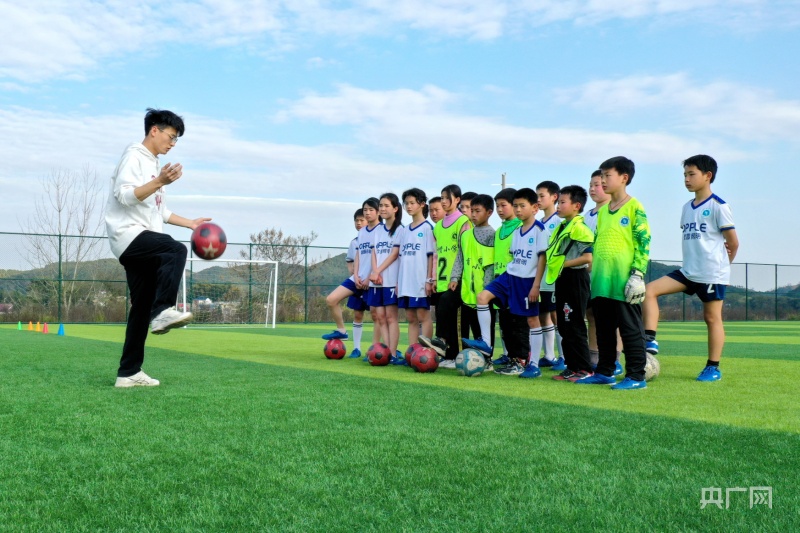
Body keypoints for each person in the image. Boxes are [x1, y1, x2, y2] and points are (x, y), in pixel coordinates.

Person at [106, 108, 210, 388]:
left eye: (176, 139)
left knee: (141, 309)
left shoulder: (153, 163)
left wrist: (190, 223)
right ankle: (163, 310)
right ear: (154, 130)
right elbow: (125, 196)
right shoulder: (134, 156)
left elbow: (159, 211)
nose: (173, 143)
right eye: (171, 136)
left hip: (141, 240)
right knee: (175, 251)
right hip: (129, 235)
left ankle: (128, 373)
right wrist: (160, 181)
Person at [643, 155, 739, 382]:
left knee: (711, 318)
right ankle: (649, 338)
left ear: (708, 176)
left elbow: (733, 243)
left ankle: (713, 368)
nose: (686, 179)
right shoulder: (687, 207)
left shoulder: (719, 206)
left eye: (691, 174)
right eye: (685, 175)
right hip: (688, 271)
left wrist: (722, 267)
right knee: (649, 290)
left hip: (711, 273)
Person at [575, 156, 651, 390]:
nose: (603, 180)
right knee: (604, 329)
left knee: (630, 329)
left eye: (608, 176)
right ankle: (605, 371)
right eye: (602, 176)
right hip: (601, 280)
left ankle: (636, 376)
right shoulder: (603, 212)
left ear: (624, 178)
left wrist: (638, 274)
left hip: (624, 280)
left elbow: (643, 242)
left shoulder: (634, 206)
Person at [465, 188, 546, 378]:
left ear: (535, 208)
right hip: (509, 276)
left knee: (530, 320)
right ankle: (486, 343)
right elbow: (514, 257)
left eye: (521, 206)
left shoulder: (540, 230)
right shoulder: (516, 231)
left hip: (526, 281)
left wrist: (536, 285)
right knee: (482, 297)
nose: (518, 210)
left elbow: (542, 259)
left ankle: (532, 364)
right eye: (515, 206)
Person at [545, 186, 595, 382]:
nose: (558, 205)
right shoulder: (563, 226)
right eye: (558, 202)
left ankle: (585, 369)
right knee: (564, 325)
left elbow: (588, 258)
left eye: (563, 202)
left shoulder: (580, 228)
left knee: (575, 324)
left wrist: (563, 264)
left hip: (576, 278)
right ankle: (572, 367)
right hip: (562, 278)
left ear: (577, 206)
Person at [419, 185, 471, 369]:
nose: (443, 201)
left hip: (458, 280)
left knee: (455, 316)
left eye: (447, 198)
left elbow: (465, 251)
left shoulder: (463, 221)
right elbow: (435, 255)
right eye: (441, 198)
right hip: (441, 280)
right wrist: (432, 279)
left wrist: (457, 276)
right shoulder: (438, 227)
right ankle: (448, 355)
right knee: (444, 314)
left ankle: (455, 353)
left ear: (457, 200)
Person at [585, 170, 623, 376]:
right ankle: (594, 357)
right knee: (591, 315)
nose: (593, 189)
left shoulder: (612, 212)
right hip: (588, 275)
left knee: (612, 317)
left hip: (608, 273)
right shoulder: (586, 216)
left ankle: (615, 359)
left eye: (597, 184)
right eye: (590, 185)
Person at [451, 194, 496, 365]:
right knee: (466, 322)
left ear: (489, 212)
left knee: (483, 328)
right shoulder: (466, 234)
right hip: (467, 291)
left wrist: (487, 287)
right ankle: (463, 356)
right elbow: (460, 258)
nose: (473, 214)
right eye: (472, 210)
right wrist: (455, 277)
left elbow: (491, 263)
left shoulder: (493, 235)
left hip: (484, 291)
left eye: (478, 211)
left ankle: (487, 359)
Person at [321, 209, 370, 358]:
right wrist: (353, 273)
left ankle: (385, 349)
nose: (359, 223)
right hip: (356, 280)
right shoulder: (354, 242)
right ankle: (347, 337)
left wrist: (369, 277)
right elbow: (350, 260)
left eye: (362, 220)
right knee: (332, 300)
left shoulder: (377, 238)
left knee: (378, 316)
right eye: (356, 220)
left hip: (372, 282)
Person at [488, 188, 525, 369]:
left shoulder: (521, 228)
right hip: (500, 286)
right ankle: (511, 358)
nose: (500, 210)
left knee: (518, 323)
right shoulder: (498, 231)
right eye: (497, 206)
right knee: (505, 324)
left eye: (504, 205)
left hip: (516, 284)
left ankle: (522, 360)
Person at [397, 188, 436, 356]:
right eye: (406, 203)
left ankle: (426, 353)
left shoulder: (428, 228)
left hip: (420, 281)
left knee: (423, 316)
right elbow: (401, 257)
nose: (409, 206)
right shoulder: (404, 230)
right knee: (411, 318)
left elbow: (431, 256)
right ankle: (412, 352)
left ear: (422, 204)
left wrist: (429, 279)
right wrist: (398, 282)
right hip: (406, 281)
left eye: (412, 203)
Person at [368, 193, 404, 363]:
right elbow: (374, 252)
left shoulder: (400, 230)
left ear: (395, 208)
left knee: (391, 317)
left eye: (386, 205)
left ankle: (393, 353)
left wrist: (378, 271)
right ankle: (386, 353)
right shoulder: (377, 230)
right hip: (376, 281)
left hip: (390, 279)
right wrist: (375, 272)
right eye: (381, 205)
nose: (382, 208)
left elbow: (394, 254)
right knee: (380, 317)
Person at [535, 180, 565, 372]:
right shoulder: (538, 223)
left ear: (554, 197)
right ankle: (549, 355)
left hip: (554, 278)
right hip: (541, 278)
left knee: (557, 316)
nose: (538, 200)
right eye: (536, 196)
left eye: (541, 196)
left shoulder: (559, 222)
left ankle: (564, 357)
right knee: (542, 314)